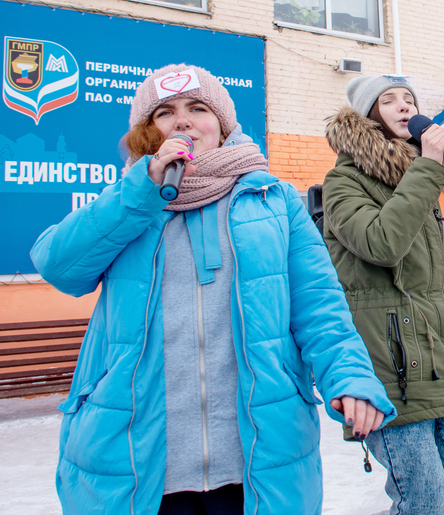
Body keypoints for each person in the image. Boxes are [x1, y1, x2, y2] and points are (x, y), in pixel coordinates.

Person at [30, 64, 395, 515]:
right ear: (150, 133)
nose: (182, 121)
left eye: (198, 108)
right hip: (134, 463)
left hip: (257, 462)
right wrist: (140, 190)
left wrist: (351, 377)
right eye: (165, 113)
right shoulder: (128, 200)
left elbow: (320, 309)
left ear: (222, 126)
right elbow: (58, 265)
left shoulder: (273, 200)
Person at [322, 74, 444, 515]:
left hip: (442, 353)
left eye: (410, 99)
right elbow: (381, 245)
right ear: (368, 116)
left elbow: (415, 265)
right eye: (390, 100)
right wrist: (427, 166)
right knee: (421, 500)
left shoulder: (415, 178)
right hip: (391, 361)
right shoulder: (343, 182)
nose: (406, 106)